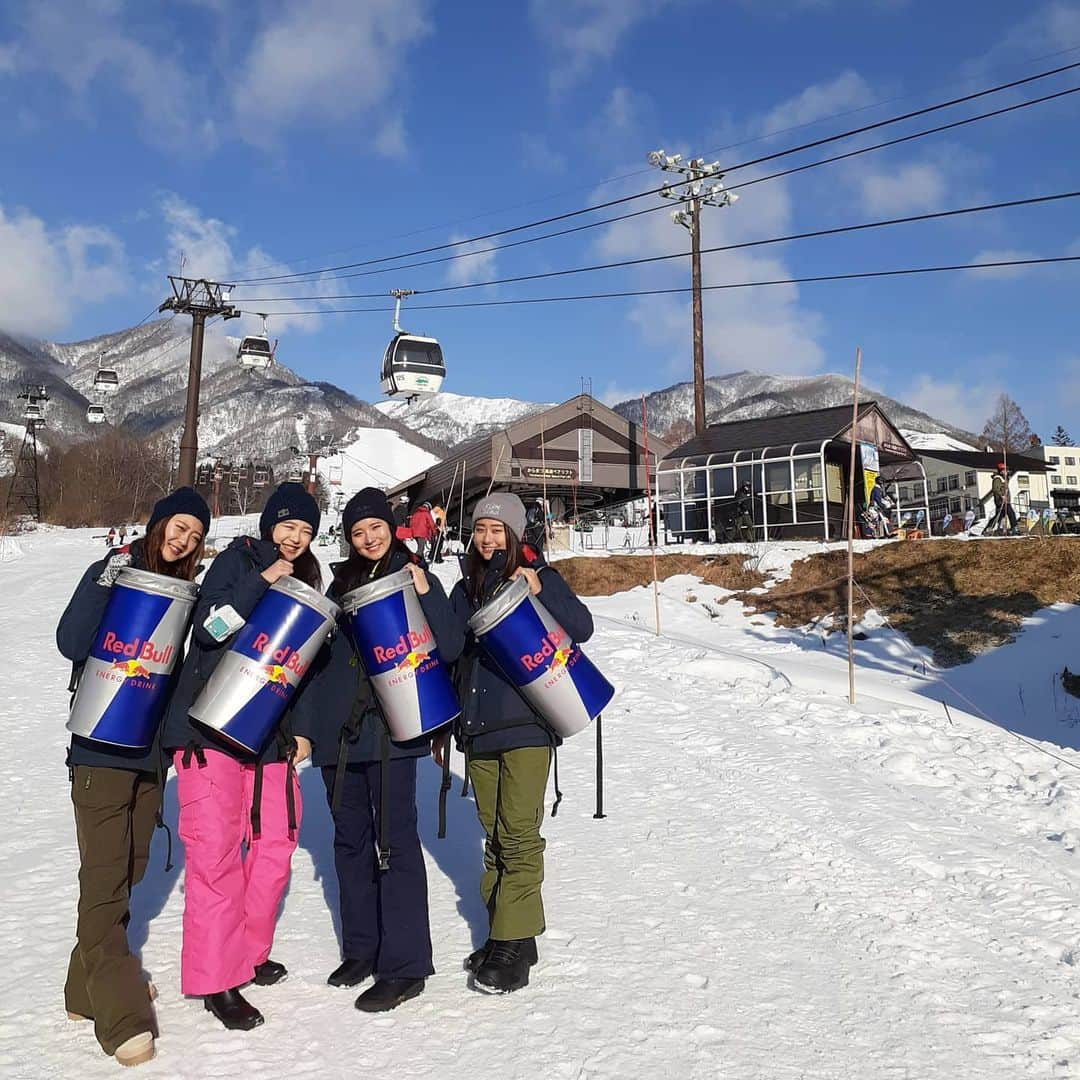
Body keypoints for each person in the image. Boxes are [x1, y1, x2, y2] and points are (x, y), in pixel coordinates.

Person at [293, 488, 463, 1012]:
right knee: (348, 844)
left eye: (375, 528)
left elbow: (452, 645)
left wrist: (428, 591)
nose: (367, 539)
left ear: (392, 528)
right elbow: (311, 663)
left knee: (396, 845)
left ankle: (405, 965)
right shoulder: (337, 580)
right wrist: (307, 728)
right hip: (337, 736)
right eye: (357, 532)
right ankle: (362, 949)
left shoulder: (414, 574)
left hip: (392, 734)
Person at [57, 488, 210, 1068]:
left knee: (128, 868)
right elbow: (71, 641)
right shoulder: (113, 570)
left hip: (148, 756)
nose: (184, 540)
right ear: (158, 523)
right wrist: (107, 578)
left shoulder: (185, 595)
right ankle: (120, 1015)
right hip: (99, 749)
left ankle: (83, 989)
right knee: (102, 878)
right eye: (179, 527)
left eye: (196, 535)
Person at [162, 482, 322, 1032]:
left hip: (272, 737)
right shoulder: (237, 563)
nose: (295, 539)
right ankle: (217, 980)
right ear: (268, 524)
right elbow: (209, 632)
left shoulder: (310, 577)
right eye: (288, 526)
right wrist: (262, 582)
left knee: (274, 849)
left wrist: (303, 732)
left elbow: (304, 667)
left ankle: (248, 953)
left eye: (306, 531)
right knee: (216, 857)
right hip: (211, 732)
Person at [440, 493, 594, 995]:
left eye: (497, 530)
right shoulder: (466, 588)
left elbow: (582, 628)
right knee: (494, 835)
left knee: (519, 832)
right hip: (479, 726)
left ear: (515, 534)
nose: (488, 539)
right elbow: (448, 650)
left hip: (527, 723)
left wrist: (538, 590)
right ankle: (512, 931)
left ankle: (510, 943)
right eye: (481, 529)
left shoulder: (538, 577)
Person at [989, 463, 1018, 535]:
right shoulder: (997, 478)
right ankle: (1014, 528)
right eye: (1005, 470)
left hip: (1005, 500)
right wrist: (1002, 496)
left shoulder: (1004, 478)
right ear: (1001, 471)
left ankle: (989, 528)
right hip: (1001, 500)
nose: (1006, 471)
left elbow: (1009, 476)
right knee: (1011, 513)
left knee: (999, 516)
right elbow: (995, 489)